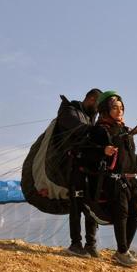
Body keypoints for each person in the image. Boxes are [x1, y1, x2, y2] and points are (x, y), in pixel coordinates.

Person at [85, 91, 137, 267]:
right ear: (105, 109)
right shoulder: (100, 131)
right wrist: (103, 151)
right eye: (115, 108)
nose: (119, 111)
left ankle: (122, 251)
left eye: (121, 108)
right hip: (114, 180)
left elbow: (129, 160)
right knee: (121, 213)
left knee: (136, 213)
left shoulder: (125, 131)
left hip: (132, 180)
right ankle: (123, 251)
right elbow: (87, 152)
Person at [56, 88, 102, 257]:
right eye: (97, 106)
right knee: (76, 205)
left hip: (90, 169)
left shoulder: (92, 120)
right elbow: (79, 129)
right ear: (90, 100)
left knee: (91, 204)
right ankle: (76, 244)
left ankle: (91, 244)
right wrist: (97, 131)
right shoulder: (69, 112)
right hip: (74, 166)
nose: (97, 111)